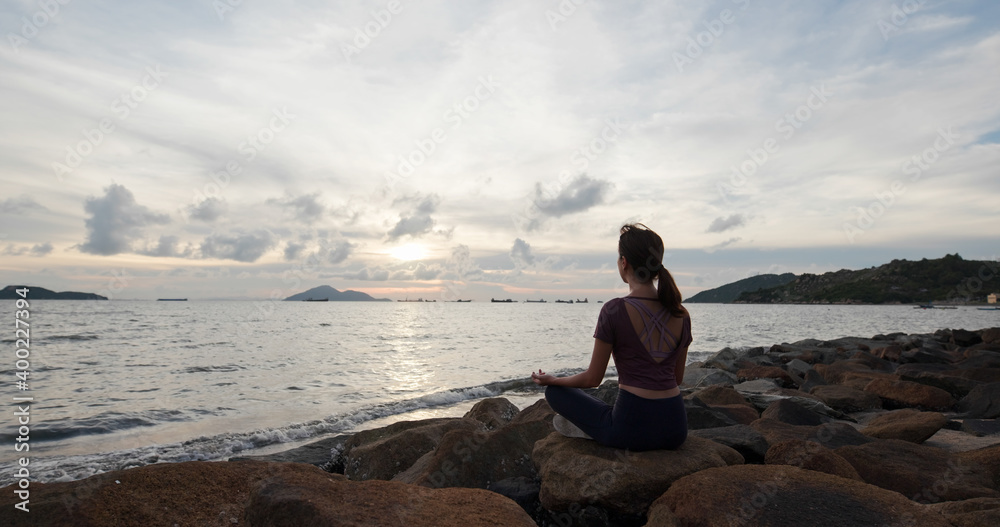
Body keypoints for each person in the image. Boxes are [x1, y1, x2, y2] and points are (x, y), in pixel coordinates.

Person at [531, 223, 690, 451]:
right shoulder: (681, 314)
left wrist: (553, 380)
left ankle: (588, 428)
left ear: (624, 262)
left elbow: (592, 379)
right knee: (605, 408)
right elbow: (677, 378)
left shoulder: (614, 310)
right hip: (675, 429)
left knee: (555, 393)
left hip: (629, 431)